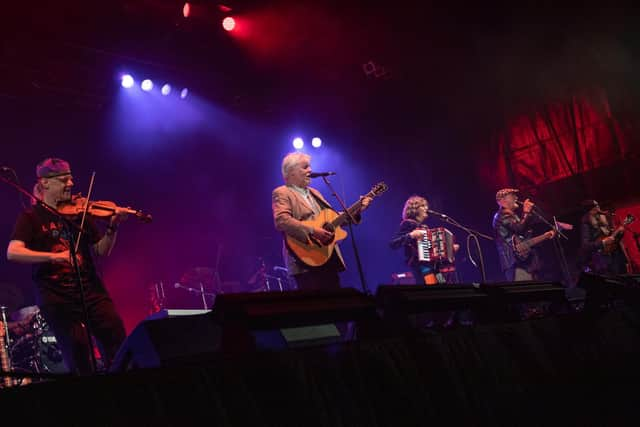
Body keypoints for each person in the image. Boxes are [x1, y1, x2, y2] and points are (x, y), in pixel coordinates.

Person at [6, 158, 129, 375]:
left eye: (71, 178)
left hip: (90, 290)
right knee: (79, 353)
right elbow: (13, 251)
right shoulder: (31, 217)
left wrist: (113, 227)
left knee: (116, 340)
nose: (71, 183)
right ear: (45, 183)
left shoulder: (79, 213)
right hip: (56, 296)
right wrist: (55, 257)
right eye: (64, 179)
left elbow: (101, 250)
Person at [272, 152, 371, 291]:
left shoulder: (315, 193)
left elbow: (333, 220)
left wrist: (358, 209)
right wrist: (313, 231)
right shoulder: (283, 192)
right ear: (291, 172)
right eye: (305, 167)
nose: (310, 170)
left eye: (309, 167)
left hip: (327, 257)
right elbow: (281, 221)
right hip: (304, 260)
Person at [389, 195, 459, 285]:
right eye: (423, 205)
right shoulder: (408, 224)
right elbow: (393, 243)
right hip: (422, 268)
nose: (427, 208)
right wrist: (411, 235)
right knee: (432, 291)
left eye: (426, 205)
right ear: (414, 209)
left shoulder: (424, 227)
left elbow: (433, 253)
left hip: (435, 269)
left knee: (443, 286)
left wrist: (449, 250)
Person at [492, 188, 555, 282]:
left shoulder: (512, 215)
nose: (516, 198)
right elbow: (519, 229)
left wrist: (546, 234)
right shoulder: (502, 215)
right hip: (514, 263)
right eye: (512, 196)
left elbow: (525, 236)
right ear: (502, 201)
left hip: (524, 261)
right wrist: (526, 212)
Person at [578, 199, 629, 275]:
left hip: (617, 256)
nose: (598, 207)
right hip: (604, 260)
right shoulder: (586, 223)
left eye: (598, 205)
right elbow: (585, 246)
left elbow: (614, 239)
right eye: (596, 206)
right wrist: (603, 242)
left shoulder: (605, 218)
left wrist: (620, 233)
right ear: (591, 210)